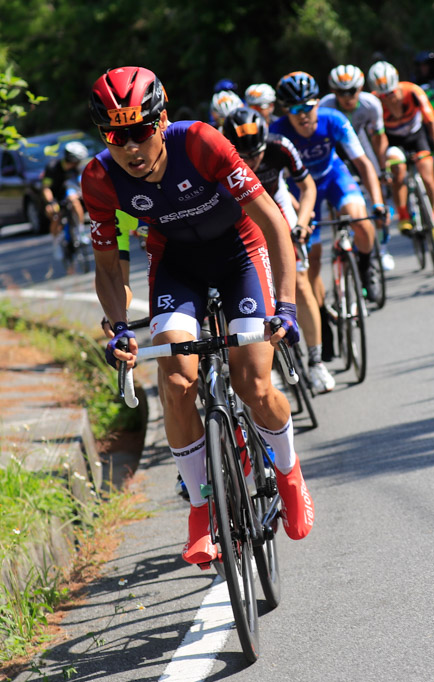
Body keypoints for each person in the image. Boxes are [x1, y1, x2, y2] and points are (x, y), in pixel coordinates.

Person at [82, 66, 316, 566]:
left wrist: (289, 306)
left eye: (140, 131)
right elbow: (109, 264)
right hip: (177, 265)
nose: (130, 147)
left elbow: (273, 223)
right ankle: (200, 505)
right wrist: (120, 326)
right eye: (116, 136)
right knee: (176, 380)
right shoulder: (101, 178)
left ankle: (289, 472)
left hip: (240, 254)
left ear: (161, 120)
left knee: (253, 382)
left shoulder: (201, 143)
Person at [222, 106, 336, 393]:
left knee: (299, 281)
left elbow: (307, 187)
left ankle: (316, 361)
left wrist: (302, 222)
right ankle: (265, 367)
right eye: (243, 157)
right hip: (239, 214)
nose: (251, 162)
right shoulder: (218, 157)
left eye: (256, 154)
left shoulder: (280, 146)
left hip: (275, 204)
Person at [270, 70, 386, 304]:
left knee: (359, 219)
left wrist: (378, 202)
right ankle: (322, 315)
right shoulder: (277, 133)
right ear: (285, 111)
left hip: (332, 175)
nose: (302, 115)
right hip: (300, 188)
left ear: (318, 103)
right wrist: (298, 211)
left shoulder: (334, 120)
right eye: (294, 109)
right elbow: (276, 182)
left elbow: (363, 164)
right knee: (312, 258)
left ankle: (367, 265)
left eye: (308, 107)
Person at [318, 64, 394, 270]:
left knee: (377, 194)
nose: (347, 96)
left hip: (360, 145)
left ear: (360, 88)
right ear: (334, 91)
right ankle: (343, 235)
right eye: (341, 92)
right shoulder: (325, 106)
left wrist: (383, 168)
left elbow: (378, 138)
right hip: (335, 150)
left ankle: (383, 247)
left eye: (352, 91)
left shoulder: (371, 104)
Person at [366, 60, 434, 245]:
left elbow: (432, 122)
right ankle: (403, 215)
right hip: (392, 140)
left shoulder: (413, 91)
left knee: (427, 176)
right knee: (398, 171)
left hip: (416, 136)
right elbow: (377, 137)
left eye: (392, 93)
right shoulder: (374, 102)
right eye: (383, 95)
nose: (389, 99)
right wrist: (382, 164)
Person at [41, 140, 90, 261]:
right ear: (71, 159)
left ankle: (80, 231)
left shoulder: (77, 168)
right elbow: (46, 188)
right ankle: (56, 242)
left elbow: (81, 182)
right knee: (55, 215)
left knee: (74, 200)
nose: (78, 163)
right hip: (54, 196)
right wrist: (51, 202)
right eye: (77, 160)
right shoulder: (52, 167)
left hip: (68, 193)